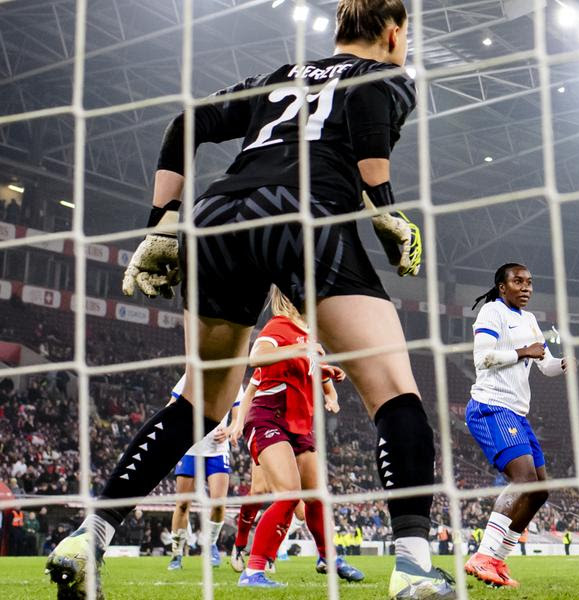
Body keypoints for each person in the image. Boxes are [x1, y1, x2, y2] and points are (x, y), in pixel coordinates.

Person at [45, 1, 453, 599]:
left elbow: (188, 120)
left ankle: (90, 536)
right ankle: (414, 570)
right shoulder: (390, 77)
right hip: (300, 211)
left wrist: (160, 224)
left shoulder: (280, 76)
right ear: (394, 35)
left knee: (199, 400)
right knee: (395, 391)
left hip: (217, 216)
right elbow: (368, 118)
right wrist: (384, 207)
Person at [218, 288, 364, 587]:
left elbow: (302, 369)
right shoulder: (279, 325)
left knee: (315, 495)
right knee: (288, 493)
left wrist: (327, 373)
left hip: (299, 424)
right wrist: (299, 351)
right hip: (268, 418)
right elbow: (256, 358)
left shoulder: (306, 335)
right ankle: (254, 570)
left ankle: (328, 558)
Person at [463, 264, 567, 588]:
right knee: (522, 479)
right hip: (491, 406)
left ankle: (497, 559)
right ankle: (481, 556)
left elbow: (545, 365)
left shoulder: (530, 320)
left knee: (539, 491)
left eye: (530, 282)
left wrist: (563, 364)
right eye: (518, 281)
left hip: (517, 414)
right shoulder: (491, 314)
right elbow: (482, 358)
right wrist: (524, 351)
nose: (526, 287)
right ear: (502, 286)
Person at [166, 375, 239, 571]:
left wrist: (230, 430)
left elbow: (237, 416)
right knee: (182, 504)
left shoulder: (233, 377)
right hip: (189, 448)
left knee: (218, 504)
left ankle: (211, 544)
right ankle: (176, 554)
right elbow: (170, 407)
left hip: (217, 450)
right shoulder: (191, 376)